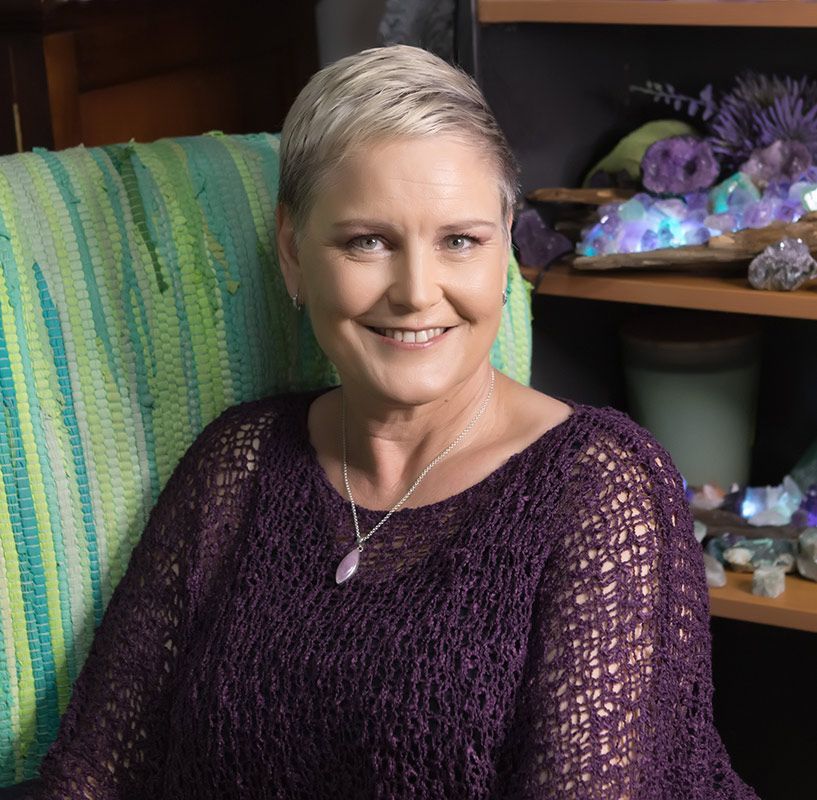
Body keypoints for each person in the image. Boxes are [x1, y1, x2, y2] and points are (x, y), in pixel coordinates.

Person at [32, 45, 761, 799]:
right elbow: (95, 769)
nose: (417, 292)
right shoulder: (239, 463)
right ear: (291, 252)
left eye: (459, 241)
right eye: (367, 241)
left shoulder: (597, 486)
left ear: (503, 246)